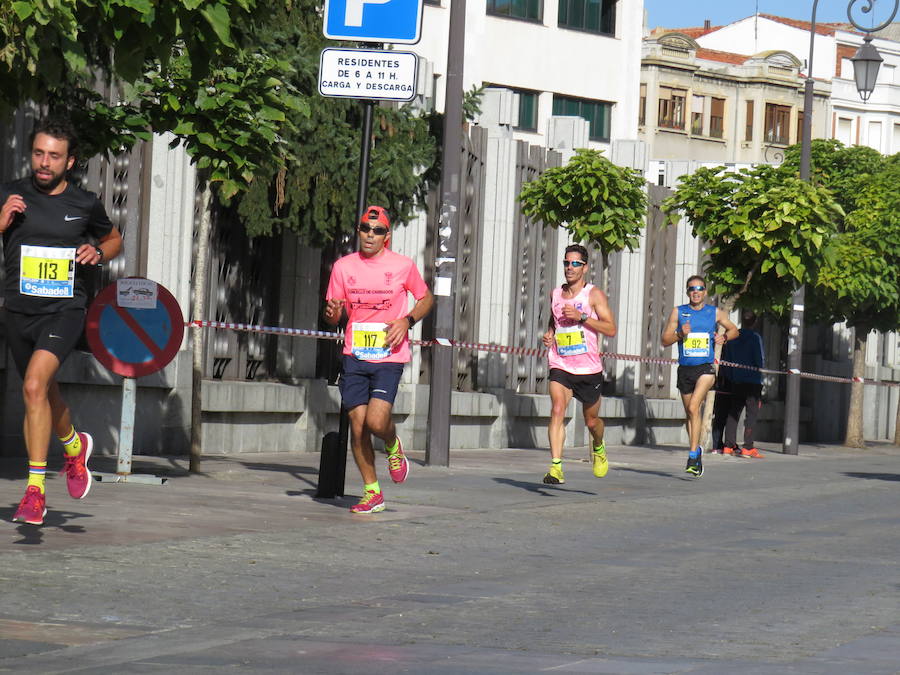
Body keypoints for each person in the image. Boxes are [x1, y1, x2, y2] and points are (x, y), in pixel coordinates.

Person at [1, 118, 122, 525]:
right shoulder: (10, 195)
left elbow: (114, 238)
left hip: (65, 308)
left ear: (69, 162)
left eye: (53, 156)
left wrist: (99, 254)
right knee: (43, 392)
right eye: (38, 153)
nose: (44, 162)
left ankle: (35, 491)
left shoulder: (84, 203)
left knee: (33, 386)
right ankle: (73, 447)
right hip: (19, 310)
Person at [323, 206, 433, 514]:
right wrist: (332, 314)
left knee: (375, 421)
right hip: (355, 355)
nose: (370, 234)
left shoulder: (402, 266)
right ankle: (372, 492)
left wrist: (407, 321)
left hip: (389, 355)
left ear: (387, 236)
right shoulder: (343, 267)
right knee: (358, 428)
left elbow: (426, 298)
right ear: (358, 231)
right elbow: (334, 313)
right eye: (365, 229)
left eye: (378, 230)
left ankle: (393, 444)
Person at [541, 244, 617, 484]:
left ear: (585, 267)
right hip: (561, 363)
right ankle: (555, 467)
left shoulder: (593, 295)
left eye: (575, 263)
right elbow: (554, 321)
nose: (569, 268)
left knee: (592, 422)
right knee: (556, 410)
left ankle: (598, 445)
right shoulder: (555, 294)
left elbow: (611, 329)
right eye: (566, 263)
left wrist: (582, 317)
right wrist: (550, 334)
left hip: (588, 369)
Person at [661, 275, 738, 477]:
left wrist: (724, 337)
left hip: (705, 369)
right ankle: (697, 450)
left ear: (705, 292)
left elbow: (734, 330)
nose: (696, 292)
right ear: (687, 292)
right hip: (685, 369)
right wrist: (679, 334)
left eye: (700, 288)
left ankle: (693, 455)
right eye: (691, 289)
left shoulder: (714, 313)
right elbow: (664, 340)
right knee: (690, 413)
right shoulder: (679, 312)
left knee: (695, 407)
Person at [720, 309, 765, 458]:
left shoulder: (734, 337)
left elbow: (727, 359)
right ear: (755, 322)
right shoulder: (755, 337)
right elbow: (759, 360)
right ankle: (748, 447)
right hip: (753, 381)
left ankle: (728, 445)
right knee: (751, 414)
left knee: (733, 412)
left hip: (736, 380)